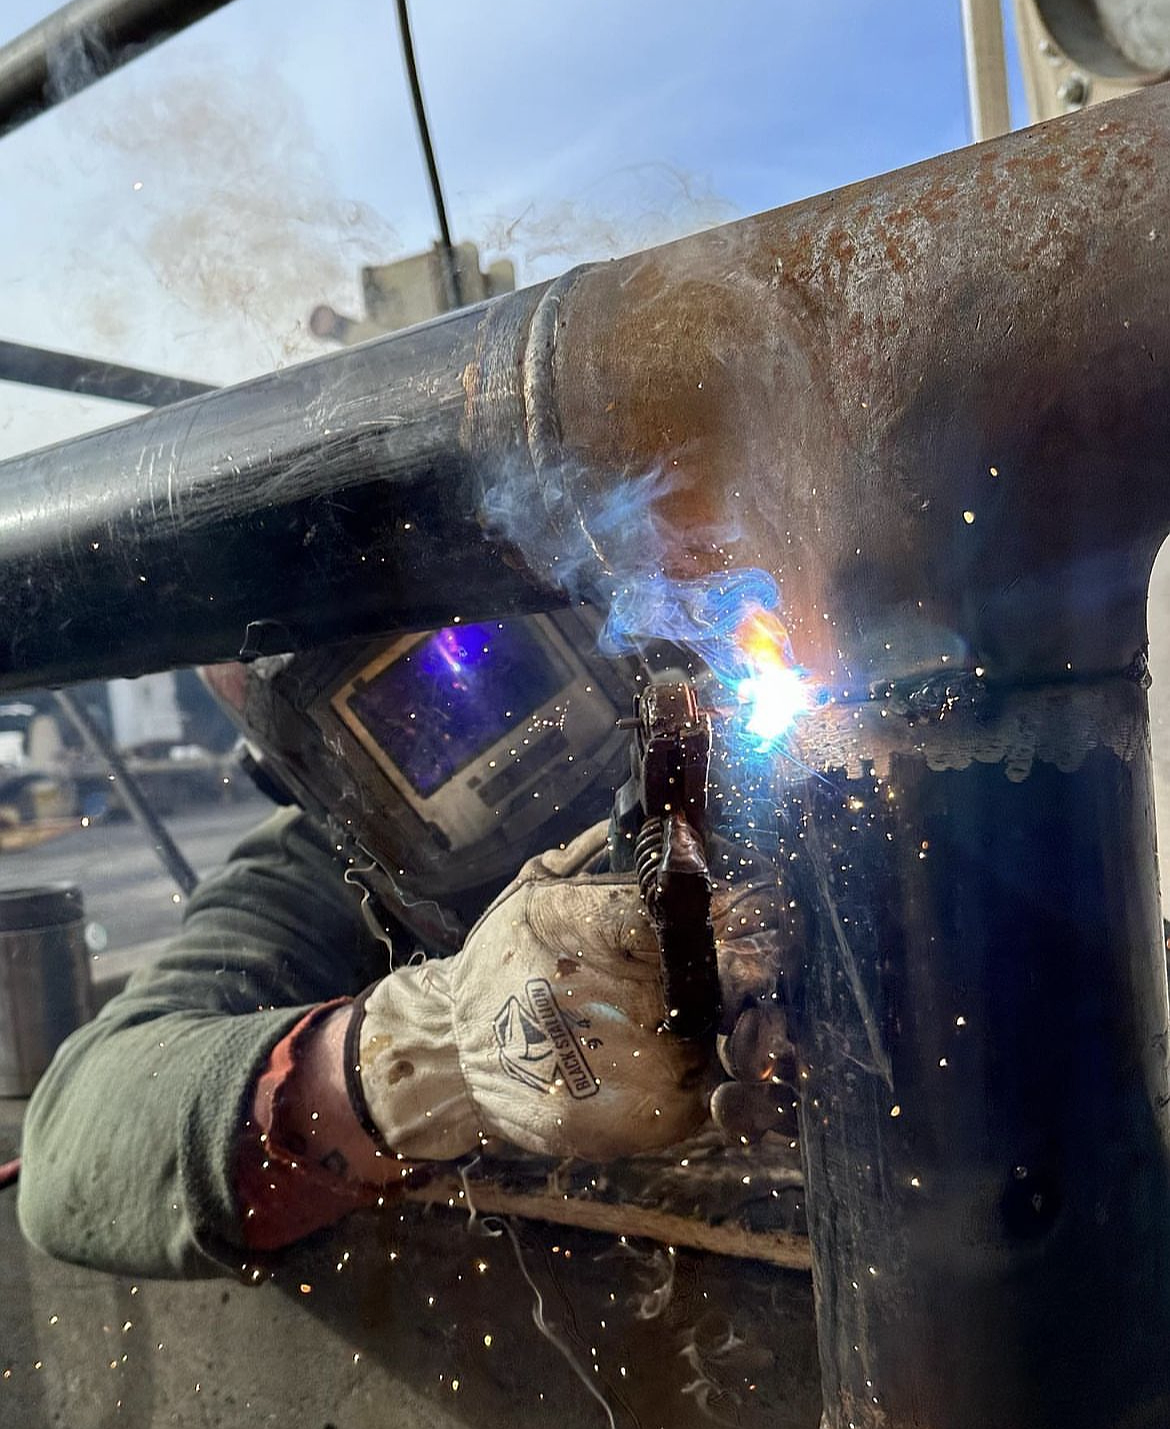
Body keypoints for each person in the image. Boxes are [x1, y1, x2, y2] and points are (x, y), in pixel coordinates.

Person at [16, 619, 794, 1280]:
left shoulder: (736, 712)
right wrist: (429, 1050)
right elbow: (70, 1145)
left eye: (496, 660)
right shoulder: (336, 877)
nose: (487, 727)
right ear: (311, 778)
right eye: (414, 721)